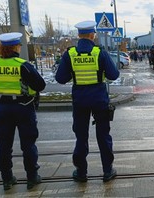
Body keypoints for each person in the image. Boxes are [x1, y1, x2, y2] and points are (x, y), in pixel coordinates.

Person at [0, 32, 46, 190]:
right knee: (28, 144)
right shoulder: (22, 65)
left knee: (3, 144)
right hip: (24, 107)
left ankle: (7, 178)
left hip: (2, 108)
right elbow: (40, 85)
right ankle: (32, 177)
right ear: (15, 47)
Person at [55, 21, 120, 182]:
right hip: (99, 100)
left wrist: (73, 73)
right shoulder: (100, 53)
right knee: (103, 135)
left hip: (80, 101)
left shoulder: (70, 54)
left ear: (79, 35)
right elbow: (114, 75)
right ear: (93, 35)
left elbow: (60, 78)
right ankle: (107, 171)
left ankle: (81, 172)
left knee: (81, 136)